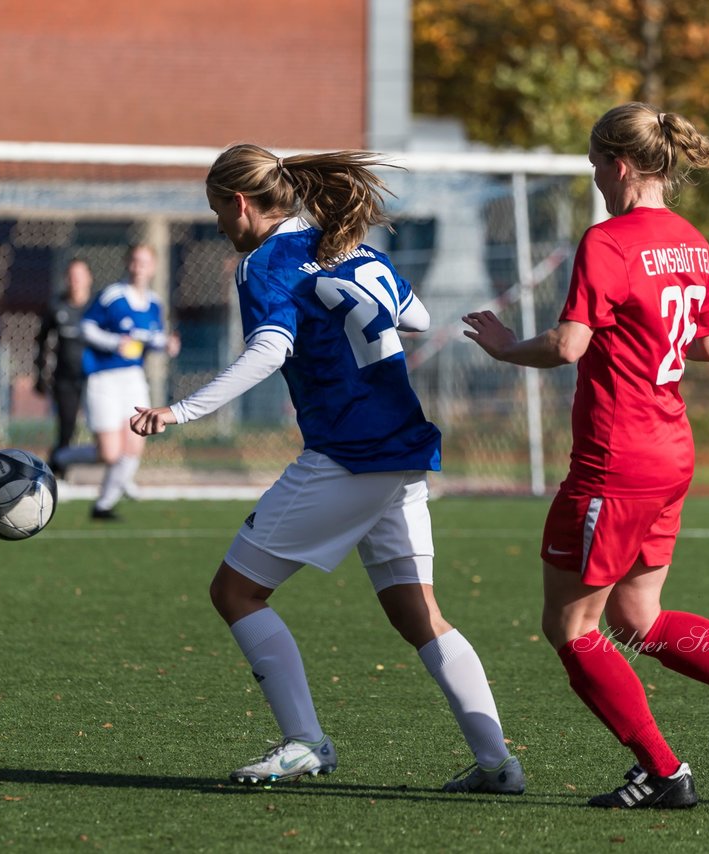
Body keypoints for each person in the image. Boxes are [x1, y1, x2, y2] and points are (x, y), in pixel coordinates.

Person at [463, 103, 709, 809]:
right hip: (670, 450)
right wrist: (648, 334)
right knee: (639, 620)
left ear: (620, 164)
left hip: (616, 457)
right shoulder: (691, 240)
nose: (596, 178)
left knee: (572, 627)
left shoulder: (609, 242)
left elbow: (568, 345)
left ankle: (664, 772)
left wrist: (508, 346)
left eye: (597, 163)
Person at [131, 144, 524, 793]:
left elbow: (270, 348)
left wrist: (181, 410)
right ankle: (497, 765)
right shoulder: (349, 245)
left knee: (235, 592)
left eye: (218, 213)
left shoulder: (265, 262)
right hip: (401, 450)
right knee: (417, 613)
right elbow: (417, 317)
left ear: (239, 203)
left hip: (348, 453)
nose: (223, 228)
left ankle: (305, 741)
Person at [58, 244, 179, 520]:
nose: (139, 267)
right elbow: (86, 328)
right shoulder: (112, 296)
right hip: (104, 378)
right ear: (127, 263)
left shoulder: (155, 303)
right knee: (110, 453)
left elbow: (153, 339)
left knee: (135, 444)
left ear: (154, 267)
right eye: (135, 261)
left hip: (133, 378)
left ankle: (103, 504)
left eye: (145, 262)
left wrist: (168, 345)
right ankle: (62, 457)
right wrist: (115, 342)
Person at [33, 258, 93, 479]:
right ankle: (59, 470)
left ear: (89, 278)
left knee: (104, 427)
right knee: (67, 427)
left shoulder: (97, 308)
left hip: (94, 378)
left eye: (79, 276)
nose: (75, 281)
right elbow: (42, 341)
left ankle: (115, 472)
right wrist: (40, 374)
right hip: (65, 378)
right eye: (71, 276)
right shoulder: (56, 306)